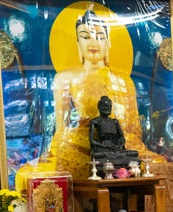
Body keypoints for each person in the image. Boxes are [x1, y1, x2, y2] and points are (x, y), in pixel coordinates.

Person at [14, 5, 164, 191]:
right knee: (35, 169)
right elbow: (62, 129)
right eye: (85, 36)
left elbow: (133, 130)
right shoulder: (64, 78)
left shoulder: (124, 80)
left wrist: (119, 144)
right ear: (78, 43)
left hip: (121, 148)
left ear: (108, 42)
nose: (93, 42)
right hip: (81, 145)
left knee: (160, 164)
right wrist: (84, 134)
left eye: (100, 36)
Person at [89, 96, 139, 172]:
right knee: (97, 156)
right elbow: (92, 140)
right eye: (105, 106)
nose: (108, 108)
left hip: (115, 149)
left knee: (134, 154)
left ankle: (121, 165)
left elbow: (121, 138)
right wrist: (103, 146)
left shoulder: (114, 122)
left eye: (110, 106)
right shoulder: (95, 121)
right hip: (103, 149)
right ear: (99, 107)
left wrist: (118, 145)